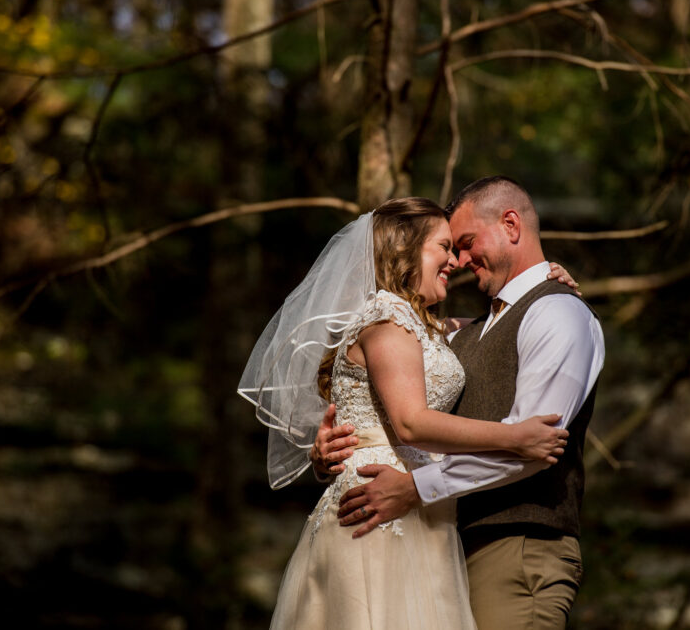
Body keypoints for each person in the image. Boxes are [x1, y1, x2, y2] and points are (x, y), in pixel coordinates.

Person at [237, 197, 575, 630]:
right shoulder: (386, 317)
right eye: (444, 247)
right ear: (406, 252)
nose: (455, 261)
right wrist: (514, 437)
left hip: (418, 508)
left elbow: (499, 328)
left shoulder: (426, 326)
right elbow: (411, 423)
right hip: (376, 507)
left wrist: (545, 281)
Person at [319, 177, 605, 629]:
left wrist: (415, 488)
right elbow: (375, 381)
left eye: (467, 243)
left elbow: (532, 448)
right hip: (439, 543)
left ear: (511, 224)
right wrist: (339, 443)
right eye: (451, 248)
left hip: (516, 546)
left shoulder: (558, 313)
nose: (461, 260)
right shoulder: (459, 331)